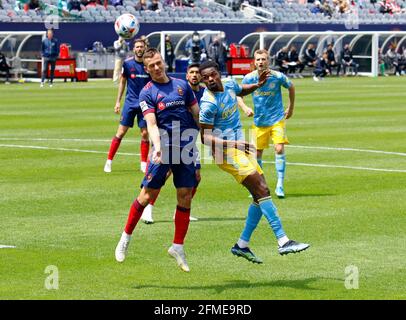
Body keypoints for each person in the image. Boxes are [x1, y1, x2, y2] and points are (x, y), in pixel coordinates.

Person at [198, 60, 309, 264]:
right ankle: (283, 240)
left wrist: (257, 85)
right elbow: (204, 137)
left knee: (260, 194)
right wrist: (234, 143)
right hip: (227, 152)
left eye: (213, 74)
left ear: (218, 73)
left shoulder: (230, 83)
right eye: (205, 78)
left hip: (241, 147)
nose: (210, 80)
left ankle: (242, 245)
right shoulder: (208, 102)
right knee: (262, 190)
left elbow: (241, 90)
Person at [114, 48, 200, 272]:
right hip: (164, 149)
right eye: (151, 66)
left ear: (163, 62)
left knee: (185, 196)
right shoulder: (147, 93)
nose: (156, 68)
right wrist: (159, 147)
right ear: (146, 68)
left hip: (186, 147)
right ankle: (125, 237)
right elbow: (151, 124)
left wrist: (209, 136)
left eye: (159, 63)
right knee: (146, 195)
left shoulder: (182, 86)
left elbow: (197, 114)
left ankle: (178, 246)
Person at [141, 63, 203, 224]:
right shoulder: (180, 90)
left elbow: (200, 116)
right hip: (173, 140)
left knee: (196, 177)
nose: (195, 75)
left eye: (197, 72)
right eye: (191, 72)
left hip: (190, 140)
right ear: (187, 75)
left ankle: (180, 211)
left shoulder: (204, 93)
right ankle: (148, 208)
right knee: (165, 173)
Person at [238, 49, 295, 199]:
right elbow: (237, 94)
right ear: (254, 62)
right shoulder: (249, 78)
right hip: (259, 122)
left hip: (277, 119)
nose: (261, 62)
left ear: (268, 61)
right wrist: (245, 107)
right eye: (258, 60)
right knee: (256, 154)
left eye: (263, 59)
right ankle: (260, 187)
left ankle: (280, 185)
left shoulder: (277, 76)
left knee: (279, 148)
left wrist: (291, 107)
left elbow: (291, 86)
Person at [104, 38, 151, 174]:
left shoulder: (149, 65)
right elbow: (122, 82)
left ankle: (143, 164)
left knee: (145, 133)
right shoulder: (128, 64)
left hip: (145, 104)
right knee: (121, 132)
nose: (139, 49)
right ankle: (109, 161)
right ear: (134, 49)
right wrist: (118, 101)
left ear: (145, 48)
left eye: (141, 47)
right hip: (130, 103)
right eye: (137, 47)